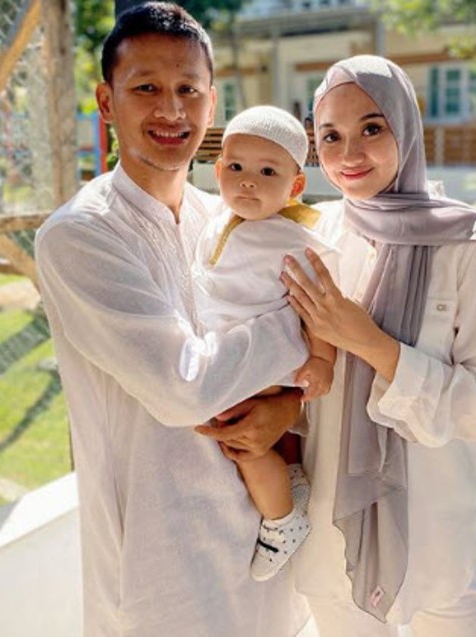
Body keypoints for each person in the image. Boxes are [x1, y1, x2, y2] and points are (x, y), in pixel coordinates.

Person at [35, 4, 316, 636]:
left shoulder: (232, 221)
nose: (171, 110)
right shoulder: (81, 235)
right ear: (106, 102)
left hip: (265, 549)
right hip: (163, 569)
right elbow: (185, 387)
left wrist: (289, 406)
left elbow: (315, 374)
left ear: (212, 105)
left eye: (188, 90)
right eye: (146, 89)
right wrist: (302, 329)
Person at [280, 56, 476, 637]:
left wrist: (375, 347)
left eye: (372, 127)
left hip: (444, 544)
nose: (349, 153)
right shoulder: (311, 237)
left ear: (406, 125)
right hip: (334, 540)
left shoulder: (473, 247)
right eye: (331, 136)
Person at [192, 105, 338, 581]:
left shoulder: (290, 240)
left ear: (295, 186)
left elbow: (317, 304)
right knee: (243, 441)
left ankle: (282, 522)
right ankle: (287, 481)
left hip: (264, 367)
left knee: (244, 444)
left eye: (267, 172)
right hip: (232, 354)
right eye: (236, 167)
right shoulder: (218, 217)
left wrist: (322, 358)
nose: (248, 182)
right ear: (218, 172)